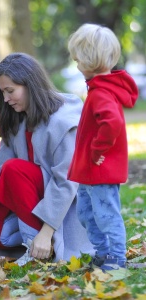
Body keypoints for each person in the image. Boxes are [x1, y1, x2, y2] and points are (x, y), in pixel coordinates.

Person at [0, 52, 94, 266]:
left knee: (15, 169)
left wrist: (46, 232)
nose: (6, 99)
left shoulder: (63, 120)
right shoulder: (17, 119)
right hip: (32, 198)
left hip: (64, 207)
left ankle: (37, 247)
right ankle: (36, 243)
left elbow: (66, 182)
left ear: (30, 84)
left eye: (10, 91)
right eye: (2, 92)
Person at [67, 23, 138, 271]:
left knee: (106, 214)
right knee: (86, 213)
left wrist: (97, 151)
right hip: (89, 170)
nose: (76, 65)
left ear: (88, 60)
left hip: (100, 169)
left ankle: (116, 256)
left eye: (78, 59)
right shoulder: (98, 89)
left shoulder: (101, 93)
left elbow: (113, 123)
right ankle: (103, 251)